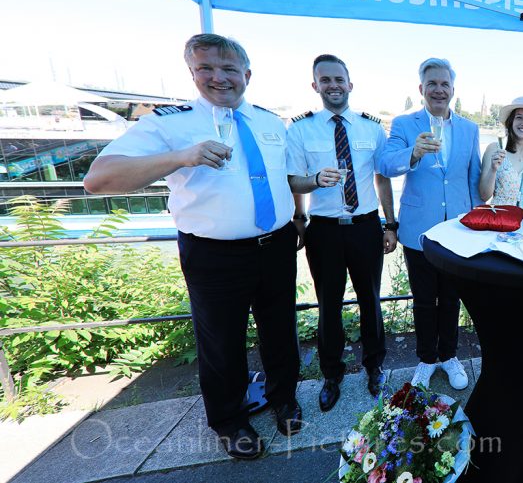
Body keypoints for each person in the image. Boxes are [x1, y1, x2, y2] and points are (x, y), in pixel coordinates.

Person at [83, 34, 300, 460]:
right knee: (221, 340)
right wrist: (182, 156)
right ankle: (228, 418)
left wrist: (301, 216)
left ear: (247, 75)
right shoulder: (170, 124)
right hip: (214, 253)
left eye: (229, 69)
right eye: (206, 69)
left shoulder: (272, 122)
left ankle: (284, 397)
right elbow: (98, 179)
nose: (219, 78)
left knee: (280, 328)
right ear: (192, 73)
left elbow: (284, 180)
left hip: (276, 244)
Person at [286, 54, 398, 407]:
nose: (333, 85)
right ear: (315, 86)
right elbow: (293, 181)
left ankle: (374, 368)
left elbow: (382, 179)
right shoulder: (301, 129)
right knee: (329, 306)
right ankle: (331, 375)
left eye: (339, 79)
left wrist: (389, 223)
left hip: (366, 227)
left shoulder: (371, 128)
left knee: (372, 303)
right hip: (325, 231)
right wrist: (311, 190)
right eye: (325, 80)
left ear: (350, 84)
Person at [380, 58, 483, 390]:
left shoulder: (469, 128)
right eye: (432, 83)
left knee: (452, 297)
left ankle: (449, 356)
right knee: (423, 299)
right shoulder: (404, 124)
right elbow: (385, 164)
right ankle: (426, 359)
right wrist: (413, 153)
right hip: (418, 230)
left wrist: (476, 222)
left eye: (445, 84)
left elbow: (473, 179)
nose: (439, 89)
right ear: (421, 88)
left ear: (453, 89)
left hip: (457, 230)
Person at [479, 96, 523, 215]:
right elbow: (484, 196)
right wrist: (493, 169)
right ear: (510, 121)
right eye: (519, 117)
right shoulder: (493, 149)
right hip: (499, 221)